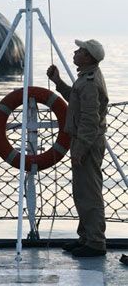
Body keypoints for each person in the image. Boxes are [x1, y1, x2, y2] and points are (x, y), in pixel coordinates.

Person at [47, 39, 109, 257]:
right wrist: (58, 81)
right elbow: (75, 99)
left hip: (87, 143)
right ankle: (86, 237)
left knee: (89, 193)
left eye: (80, 51)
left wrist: (80, 149)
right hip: (84, 141)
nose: (75, 52)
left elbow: (90, 120)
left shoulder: (90, 82)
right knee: (82, 192)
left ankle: (95, 242)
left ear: (89, 57)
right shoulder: (85, 79)